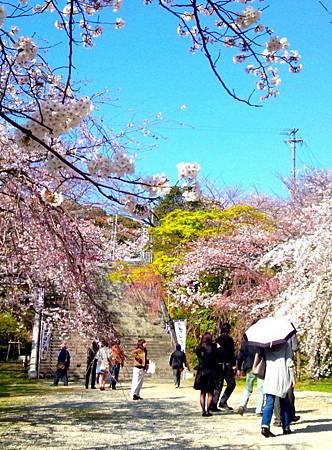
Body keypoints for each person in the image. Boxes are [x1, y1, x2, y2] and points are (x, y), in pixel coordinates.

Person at [261, 341, 294, 438]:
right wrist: (293, 378)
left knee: (269, 402)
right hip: (282, 375)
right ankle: (286, 426)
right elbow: (289, 362)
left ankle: (265, 426)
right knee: (285, 402)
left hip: (270, 375)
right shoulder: (285, 345)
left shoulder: (265, 345)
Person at [273, 334, 301, 426]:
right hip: (287, 366)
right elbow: (295, 348)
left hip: (274, 366)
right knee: (289, 393)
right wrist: (298, 366)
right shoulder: (290, 333)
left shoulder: (270, 334)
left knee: (276, 393)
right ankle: (290, 416)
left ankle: (278, 418)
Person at [211, 323, 236, 411]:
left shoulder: (217, 340)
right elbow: (232, 353)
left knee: (218, 385)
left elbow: (214, 353)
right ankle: (223, 401)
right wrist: (234, 364)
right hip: (227, 365)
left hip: (217, 365)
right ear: (228, 330)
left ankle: (213, 404)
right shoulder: (229, 339)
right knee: (231, 384)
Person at [236, 336, 264, 416]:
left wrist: (239, 367)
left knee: (248, 388)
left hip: (249, 367)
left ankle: (242, 404)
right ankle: (259, 410)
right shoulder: (261, 341)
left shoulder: (245, 343)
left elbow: (240, 355)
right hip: (259, 367)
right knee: (261, 389)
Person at [193, 332, 217, 417]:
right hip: (211, 371)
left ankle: (203, 410)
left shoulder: (199, 348)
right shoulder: (213, 347)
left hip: (202, 371)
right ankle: (208, 410)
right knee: (210, 392)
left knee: (202, 392)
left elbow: (196, 351)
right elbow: (216, 358)